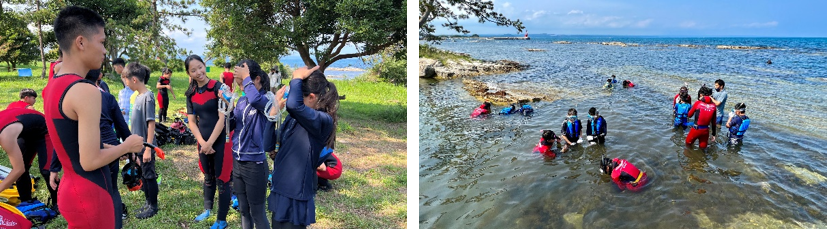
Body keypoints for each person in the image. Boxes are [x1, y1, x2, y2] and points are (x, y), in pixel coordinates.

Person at [43, 6, 144, 228]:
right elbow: (89, 161)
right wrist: (126, 145)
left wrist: (114, 148)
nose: (104, 50)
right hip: (92, 194)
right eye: (101, 42)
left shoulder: (52, 86)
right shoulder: (86, 90)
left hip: (70, 189)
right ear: (81, 42)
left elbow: (73, 147)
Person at [269, 66, 338, 228]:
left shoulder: (323, 120)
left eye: (297, 95)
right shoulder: (293, 119)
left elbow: (293, 105)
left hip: (296, 193)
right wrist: (272, 115)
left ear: (312, 97)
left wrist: (297, 77)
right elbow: (268, 144)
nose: (291, 99)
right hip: (279, 187)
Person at [184, 55, 232, 229]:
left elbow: (222, 118)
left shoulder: (218, 88)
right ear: (189, 73)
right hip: (202, 140)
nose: (199, 72)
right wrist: (202, 142)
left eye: (200, 67)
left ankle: (221, 220)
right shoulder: (191, 93)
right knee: (208, 177)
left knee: (223, 179)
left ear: (205, 66)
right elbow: (191, 121)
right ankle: (207, 209)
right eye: (193, 70)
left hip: (220, 141)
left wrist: (210, 142)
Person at [227, 59, 271, 229]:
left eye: (244, 83)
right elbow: (233, 126)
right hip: (238, 161)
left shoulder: (267, 100)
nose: (241, 87)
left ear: (257, 79)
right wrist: (227, 108)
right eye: (239, 83)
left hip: (255, 164)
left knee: (257, 212)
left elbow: (255, 100)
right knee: (244, 210)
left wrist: (245, 78)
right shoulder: (242, 101)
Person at [123, 62, 160, 219]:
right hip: (138, 145)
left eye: (125, 79)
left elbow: (151, 123)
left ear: (134, 79)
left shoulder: (148, 97)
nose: (125, 83)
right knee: (143, 175)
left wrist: (149, 148)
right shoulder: (137, 97)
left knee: (149, 175)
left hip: (146, 145)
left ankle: (153, 206)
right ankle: (147, 202)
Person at [0, 108, 52, 204]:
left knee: (47, 171)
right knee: (21, 169)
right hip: (26, 132)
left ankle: (58, 204)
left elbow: (18, 169)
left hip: (44, 130)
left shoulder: (5, 137)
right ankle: (26, 202)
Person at [114, 58, 132, 122]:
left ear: (120, 66)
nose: (115, 70)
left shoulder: (125, 74)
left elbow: (128, 88)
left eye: (115, 68)